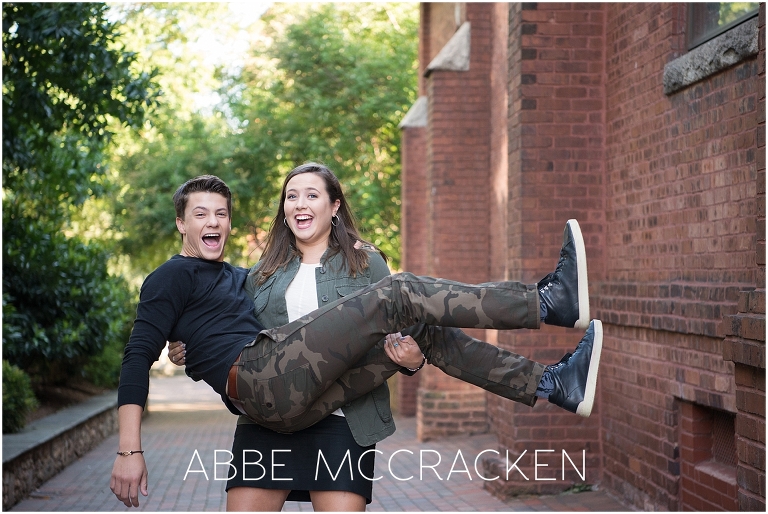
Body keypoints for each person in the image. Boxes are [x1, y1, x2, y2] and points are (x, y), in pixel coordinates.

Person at [110, 174, 602, 508]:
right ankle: (547, 303)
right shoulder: (189, 277)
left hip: (309, 407)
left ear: (334, 206)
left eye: (220, 213)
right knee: (403, 292)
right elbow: (139, 356)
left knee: (423, 332)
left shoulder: (247, 276)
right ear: (181, 222)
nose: (212, 222)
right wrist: (129, 450)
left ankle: (553, 385)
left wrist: (410, 363)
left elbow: (217, 323)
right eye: (200, 214)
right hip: (265, 389)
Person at [171, 162, 426, 510]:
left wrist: (414, 362)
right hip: (267, 420)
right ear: (285, 209)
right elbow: (232, 332)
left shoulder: (367, 264)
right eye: (292, 196)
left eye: (311, 195)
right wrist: (186, 345)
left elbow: (403, 332)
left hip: (343, 421)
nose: (300, 203)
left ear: (334, 206)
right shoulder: (262, 273)